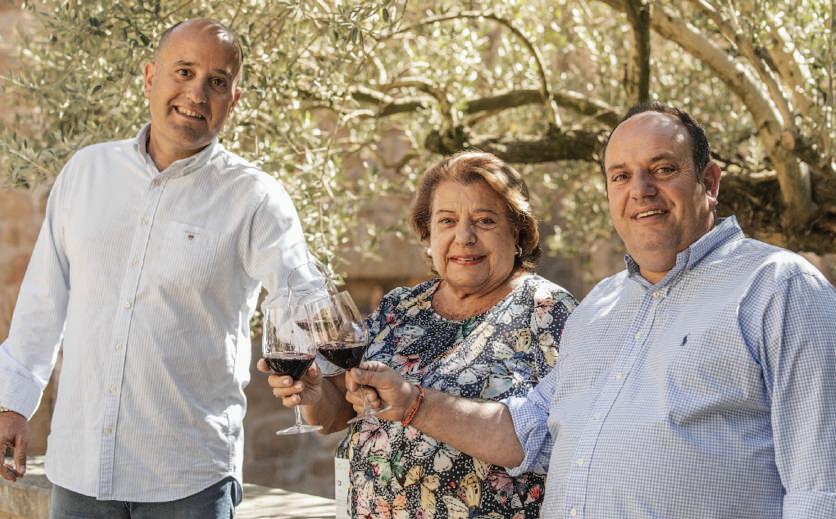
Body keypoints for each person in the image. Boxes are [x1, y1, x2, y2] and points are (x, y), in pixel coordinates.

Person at [347, 104, 836, 517]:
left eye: (662, 169)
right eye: (620, 176)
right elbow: (527, 433)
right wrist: (411, 403)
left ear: (708, 181)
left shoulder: (777, 287)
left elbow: (821, 489)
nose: (640, 190)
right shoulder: (601, 305)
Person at [0, 19, 314, 517]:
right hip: (79, 471)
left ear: (233, 100)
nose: (196, 93)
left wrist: (324, 375)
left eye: (216, 81)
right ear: (150, 78)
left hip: (188, 480)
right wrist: (12, 402)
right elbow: (44, 299)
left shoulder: (255, 199)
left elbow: (303, 300)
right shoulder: (86, 172)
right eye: (183, 72)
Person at [261, 151, 578, 518]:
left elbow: (555, 440)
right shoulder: (400, 306)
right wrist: (314, 395)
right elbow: (339, 415)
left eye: (484, 220)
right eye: (447, 221)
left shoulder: (549, 312)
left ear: (518, 233)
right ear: (429, 235)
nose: (464, 237)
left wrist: (415, 404)